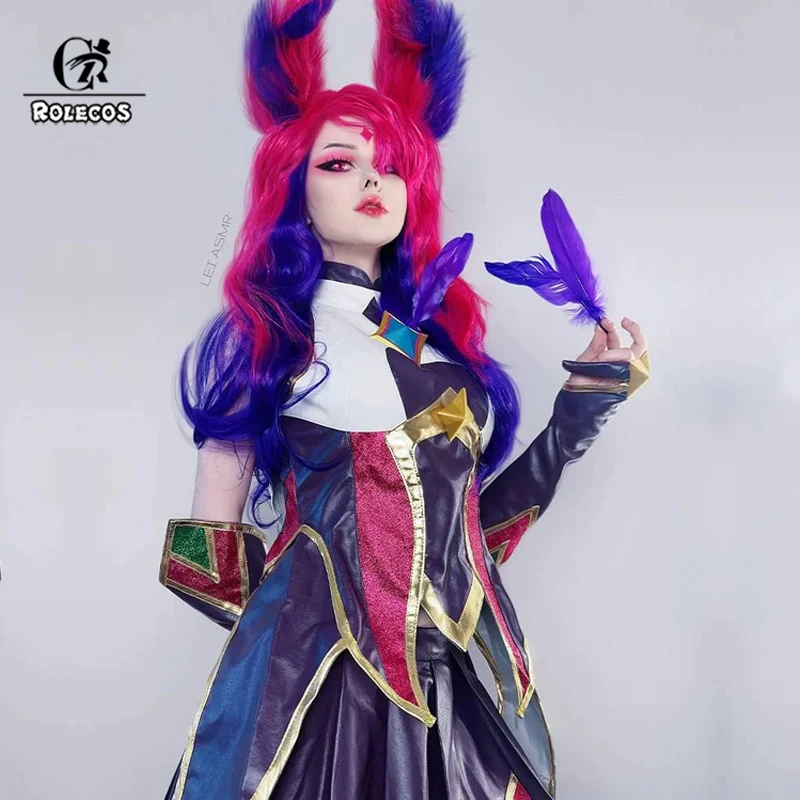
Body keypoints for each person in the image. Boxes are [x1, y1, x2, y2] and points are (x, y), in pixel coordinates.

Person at [158, 1, 650, 798]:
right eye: (339, 162)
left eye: (389, 164)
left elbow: (474, 540)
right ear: (292, 184)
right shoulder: (271, 340)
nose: (371, 180)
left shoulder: (428, 346)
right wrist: (307, 627)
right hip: (320, 699)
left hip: (452, 694)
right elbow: (201, 564)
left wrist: (582, 406)